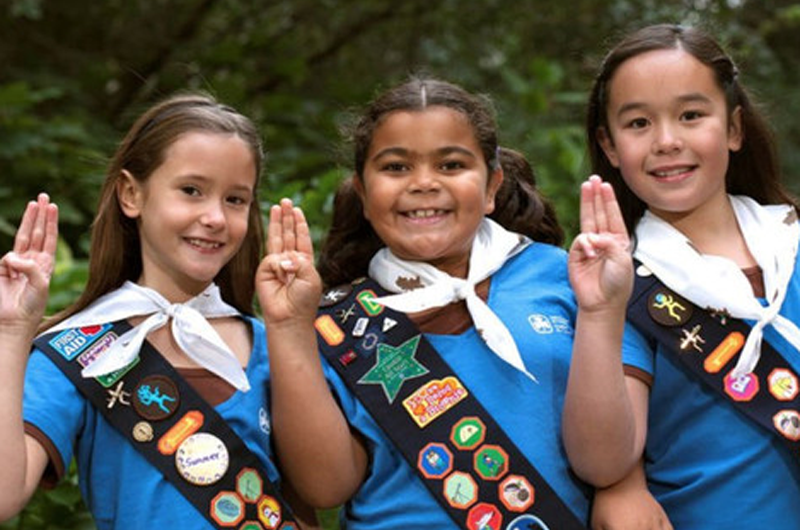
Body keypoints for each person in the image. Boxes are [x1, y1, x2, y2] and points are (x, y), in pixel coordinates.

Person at [256, 77, 650, 528]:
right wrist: (289, 328)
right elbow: (326, 486)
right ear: (363, 195)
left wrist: (601, 312)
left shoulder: (570, 276)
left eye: (450, 164)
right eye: (396, 167)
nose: (424, 183)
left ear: (491, 187)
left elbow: (604, 463)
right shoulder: (335, 320)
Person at [0, 93, 317, 529]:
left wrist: (295, 329)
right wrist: (11, 333)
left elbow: (318, 493)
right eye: (191, 191)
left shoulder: (270, 344)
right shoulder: (79, 350)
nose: (215, 217)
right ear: (132, 194)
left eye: (235, 199)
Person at [568, 23, 800, 529]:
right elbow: (603, 461)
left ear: (734, 129)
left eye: (691, 115)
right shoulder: (621, 280)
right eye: (638, 124)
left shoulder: (794, 240)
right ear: (609, 147)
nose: (667, 141)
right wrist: (602, 312)